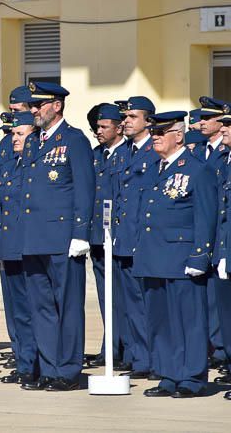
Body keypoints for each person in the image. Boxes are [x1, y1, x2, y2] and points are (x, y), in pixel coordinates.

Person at [133, 111, 217, 398]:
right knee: (160, 321)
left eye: (161, 132)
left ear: (178, 135)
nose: (155, 137)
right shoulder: (154, 168)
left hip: (181, 257)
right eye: (153, 132)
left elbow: (205, 216)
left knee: (189, 321)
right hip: (153, 256)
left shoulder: (197, 169)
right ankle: (168, 374)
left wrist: (199, 256)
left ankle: (191, 378)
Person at [17, 81, 94, 392]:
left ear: (57, 106)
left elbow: (85, 189)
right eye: (32, 106)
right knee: (41, 308)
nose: (34, 110)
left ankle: (69, 370)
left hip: (63, 237)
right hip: (33, 236)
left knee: (68, 307)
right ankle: (49, 368)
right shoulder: (34, 141)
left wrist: (80, 233)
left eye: (39, 105)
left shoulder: (74, 140)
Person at [110, 95, 159, 379]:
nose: (126, 122)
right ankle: (138, 357)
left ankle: (152, 359)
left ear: (148, 121)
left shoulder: (155, 152)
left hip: (144, 241)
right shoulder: (122, 152)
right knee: (129, 305)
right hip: (122, 239)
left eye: (131, 117)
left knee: (147, 304)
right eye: (125, 117)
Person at [0, 111, 39, 384]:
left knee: (32, 310)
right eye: (12, 134)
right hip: (9, 246)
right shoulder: (10, 165)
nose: (14, 139)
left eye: (20, 133)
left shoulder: (36, 167)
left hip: (29, 247)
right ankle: (23, 363)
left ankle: (37, 364)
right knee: (16, 312)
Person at [87, 103, 129, 369]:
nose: (99, 132)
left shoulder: (128, 154)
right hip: (97, 235)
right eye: (97, 128)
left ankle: (128, 349)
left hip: (119, 237)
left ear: (119, 127)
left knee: (124, 296)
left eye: (104, 127)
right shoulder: (95, 155)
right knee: (105, 295)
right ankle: (110, 346)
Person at [193, 96, 230, 369]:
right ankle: (213, 349)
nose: (201, 122)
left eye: (208, 118)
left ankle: (222, 352)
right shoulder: (198, 151)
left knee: (221, 303)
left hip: (223, 235)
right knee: (207, 298)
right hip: (204, 233)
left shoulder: (224, 154)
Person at [214, 105, 231, 400]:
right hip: (228, 248)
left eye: (229, 125)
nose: (223, 129)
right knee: (229, 315)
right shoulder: (226, 162)